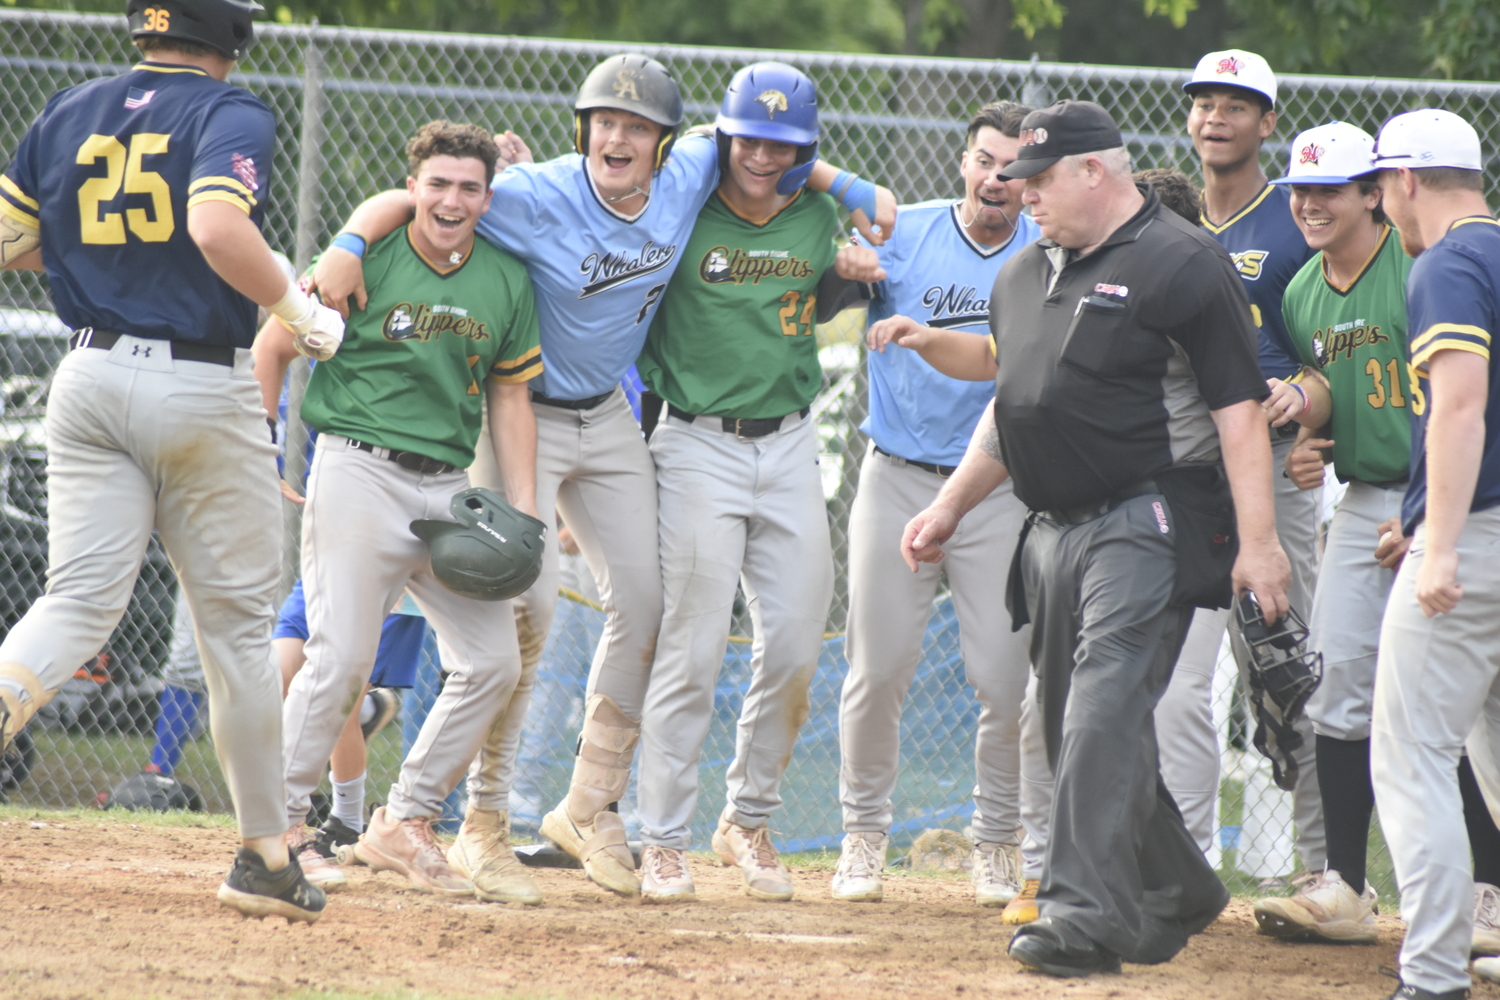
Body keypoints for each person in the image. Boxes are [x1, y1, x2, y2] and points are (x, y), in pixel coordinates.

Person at [312, 54, 894, 898]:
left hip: (608, 418)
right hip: (523, 412)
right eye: (605, 122)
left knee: (647, 606)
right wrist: (349, 239)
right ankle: (472, 821)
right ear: (583, 129)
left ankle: (587, 805)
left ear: (663, 144)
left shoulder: (690, 171)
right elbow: (428, 198)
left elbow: (744, 139)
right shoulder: (535, 192)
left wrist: (845, 184)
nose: (619, 137)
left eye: (638, 127)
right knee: (523, 611)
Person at [903, 100, 1288, 975]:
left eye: (1038, 180)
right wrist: (952, 506)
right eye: (1016, 182)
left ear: (1094, 172)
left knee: (1103, 710)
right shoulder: (1022, 272)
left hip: (1146, 521)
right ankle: (1179, 886)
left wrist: (1259, 545)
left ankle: (1080, 916)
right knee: (1068, 725)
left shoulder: (1184, 263)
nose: (1022, 197)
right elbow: (1015, 409)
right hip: (1050, 531)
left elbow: (1239, 415)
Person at [0, 0, 344, 923]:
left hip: (88, 370)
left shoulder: (70, 106)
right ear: (232, 37)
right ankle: (266, 859)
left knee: (75, 602)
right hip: (199, 385)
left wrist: (100, 266)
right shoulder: (228, 112)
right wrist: (300, 315)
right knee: (234, 636)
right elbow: (218, 231)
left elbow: (9, 240)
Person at [256, 119, 545, 902]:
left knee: (493, 661)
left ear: (489, 197)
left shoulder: (506, 280)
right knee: (342, 656)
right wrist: (264, 442)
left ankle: (405, 821)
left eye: (469, 187)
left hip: (448, 485)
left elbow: (510, 395)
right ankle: (279, 830)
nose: (452, 200)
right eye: (439, 184)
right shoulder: (365, 255)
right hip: (358, 467)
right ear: (412, 186)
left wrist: (523, 510)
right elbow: (277, 344)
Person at [630, 62, 859, 903]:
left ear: (806, 150)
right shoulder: (683, 204)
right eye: (750, 138)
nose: (764, 157)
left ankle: (747, 818)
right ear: (725, 136)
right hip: (695, 444)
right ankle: (661, 838)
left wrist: (854, 265)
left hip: (792, 444)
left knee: (798, 640)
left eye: (786, 144)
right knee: (689, 650)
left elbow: (827, 291)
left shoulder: (817, 214)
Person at [824, 99, 1039, 907]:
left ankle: (995, 842)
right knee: (876, 671)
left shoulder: (1047, 251)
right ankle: (863, 837)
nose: (997, 178)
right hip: (900, 473)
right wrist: (837, 269)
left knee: (1002, 678)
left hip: (997, 485)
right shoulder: (902, 231)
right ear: (964, 162)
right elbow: (815, 295)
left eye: (1014, 167)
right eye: (986, 159)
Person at [1241, 121, 1406, 942]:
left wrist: (1431, 511)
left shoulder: (1417, 265)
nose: (1308, 202)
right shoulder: (1305, 288)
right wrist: (1306, 422)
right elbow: (1330, 378)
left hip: (1454, 497)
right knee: (1334, 685)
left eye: (1330, 189)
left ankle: (1486, 893)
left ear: (1372, 193)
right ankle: (1344, 885)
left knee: (1463, 702)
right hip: (1367, 500)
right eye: (1301, 188)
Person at [1363, 108, 1500, 1000]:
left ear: (1408, 178)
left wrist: (1440, 544)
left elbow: (1459, 406)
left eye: (1380, 187)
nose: (1381, 208)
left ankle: (1435, 974)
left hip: (1477, 542)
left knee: (1412, 753)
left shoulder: (1448, 261)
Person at [1184, 48, 1324, 884]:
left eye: (1237, 104)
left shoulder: (1293, 220)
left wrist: (1314, 428)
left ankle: (1310, 869)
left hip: (1277, 465)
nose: (1217, 116)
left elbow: (1330, 353)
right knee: (1179, 678)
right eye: (1205, 101)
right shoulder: (1164, 219)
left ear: (1268, 122)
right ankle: (1191, 862)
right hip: (1190, 471)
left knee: (1285, 671)